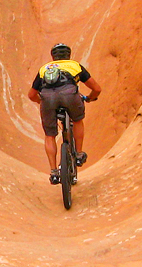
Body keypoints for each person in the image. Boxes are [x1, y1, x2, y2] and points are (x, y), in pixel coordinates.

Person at [28, 43, 102, 184]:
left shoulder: (45, 69)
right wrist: (90, 98)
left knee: (50, 135)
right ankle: (79, 154)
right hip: (70, 96)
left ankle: (54, 172)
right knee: (78, 120)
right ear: (68, 55)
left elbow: (31, 94)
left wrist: (41, 102)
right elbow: (97, 88)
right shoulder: (75, 66)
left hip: (48, 99)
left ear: (53, 57)